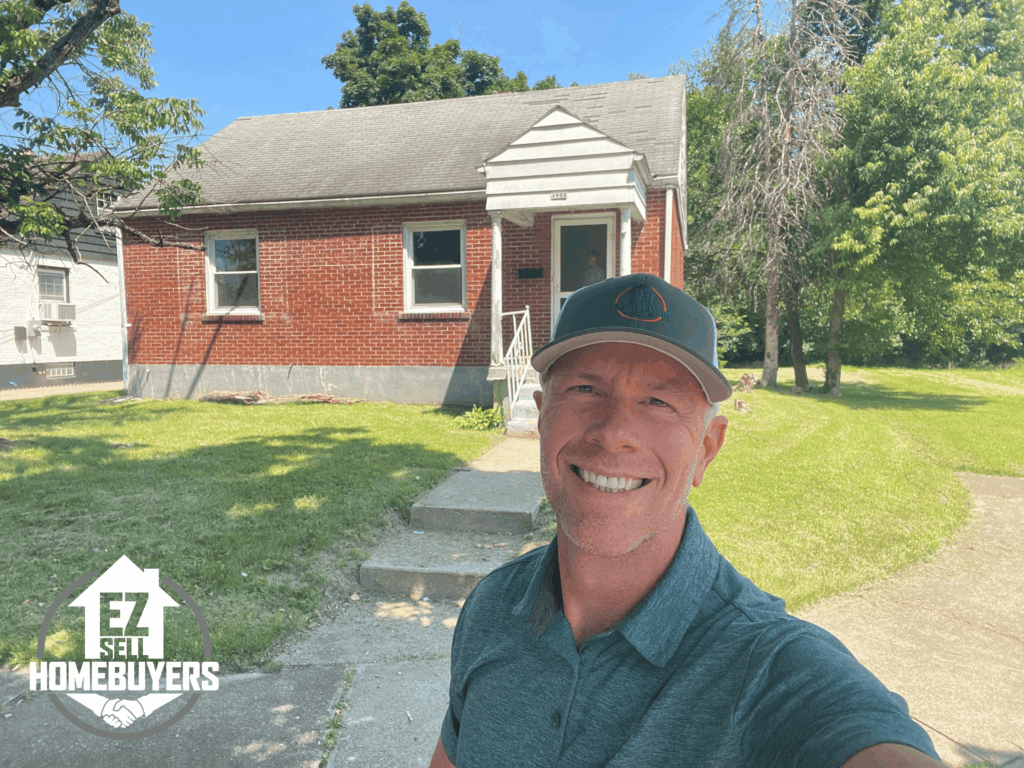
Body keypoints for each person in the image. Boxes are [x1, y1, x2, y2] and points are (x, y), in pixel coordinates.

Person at [429, 273, 943, 768]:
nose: (614, 433)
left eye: (658, 401)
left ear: (706, 450)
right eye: (586, 389)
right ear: (542, 418)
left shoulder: (767, 663)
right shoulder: (491, 608)